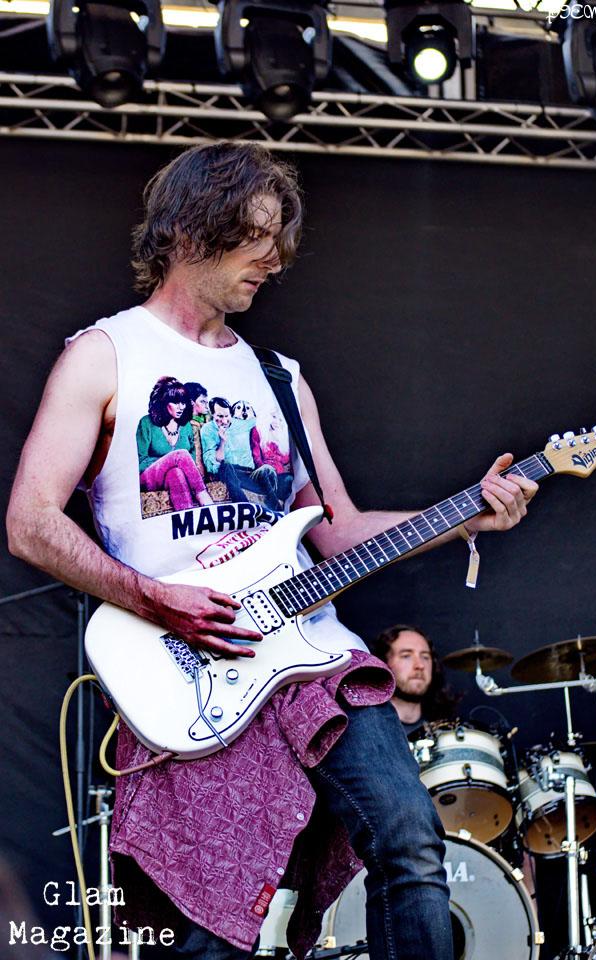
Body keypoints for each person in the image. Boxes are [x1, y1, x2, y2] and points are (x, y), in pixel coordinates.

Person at [6, 142, 539, 960]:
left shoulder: (279, 378)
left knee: (410, 839)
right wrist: (156, 600)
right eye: (256, 238)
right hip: (193, 662)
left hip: (312, 654)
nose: (274, 261)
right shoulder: (106, 355)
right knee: (213, 922)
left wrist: (466, 516)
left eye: (278, 241)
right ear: (191, 230)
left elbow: (336, 530)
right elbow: (31, 520)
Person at [137, 375, 214, 514]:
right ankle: (204, 498)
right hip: (148, 477)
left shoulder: (186, 426)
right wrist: (169, 461)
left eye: (183, 402)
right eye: (175, 402)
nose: (181, 407)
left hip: (170, 477)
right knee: (180, 455)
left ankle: (189, 516)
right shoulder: (146, 423)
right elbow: (140, 462)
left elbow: (191, 460)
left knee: (176, 473)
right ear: (163, 402)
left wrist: (172, 465)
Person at [371, 624, 459, 736]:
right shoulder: (368, 728)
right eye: (406, 656)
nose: (420, 665)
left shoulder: (445, 731)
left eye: (425, 657)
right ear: (383, 663)